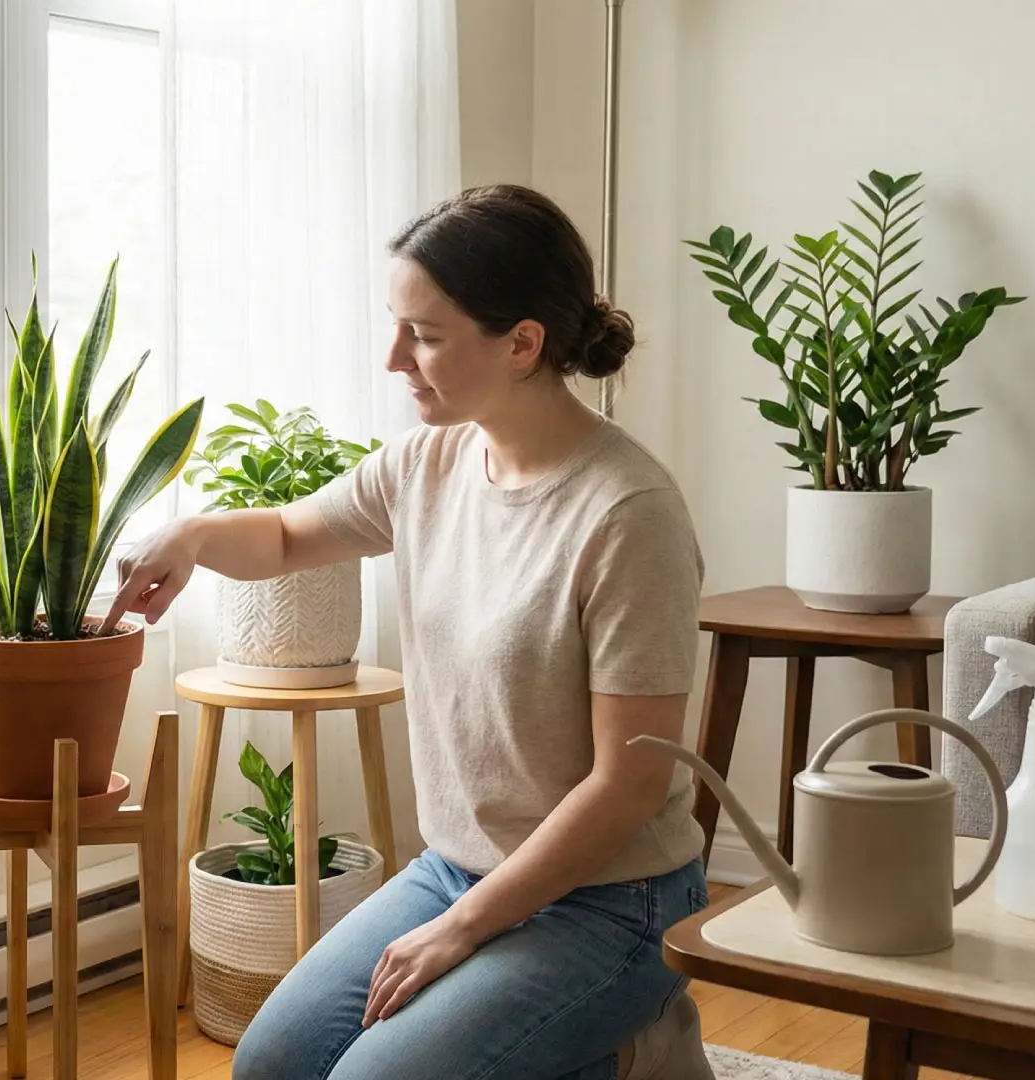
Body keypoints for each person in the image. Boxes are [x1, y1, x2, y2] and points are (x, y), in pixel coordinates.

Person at [105, 184, 714, 1080]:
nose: (395, 358)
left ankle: (630, 1048)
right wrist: (191, 533)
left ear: (522, 343)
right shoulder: (426, 463)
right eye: (397, 327)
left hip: (615, 903)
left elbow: (629, 783)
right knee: (268, 1066)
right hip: (458, 868)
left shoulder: (629, 515)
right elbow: (282, 535)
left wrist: (459, 935)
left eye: (423, 334)